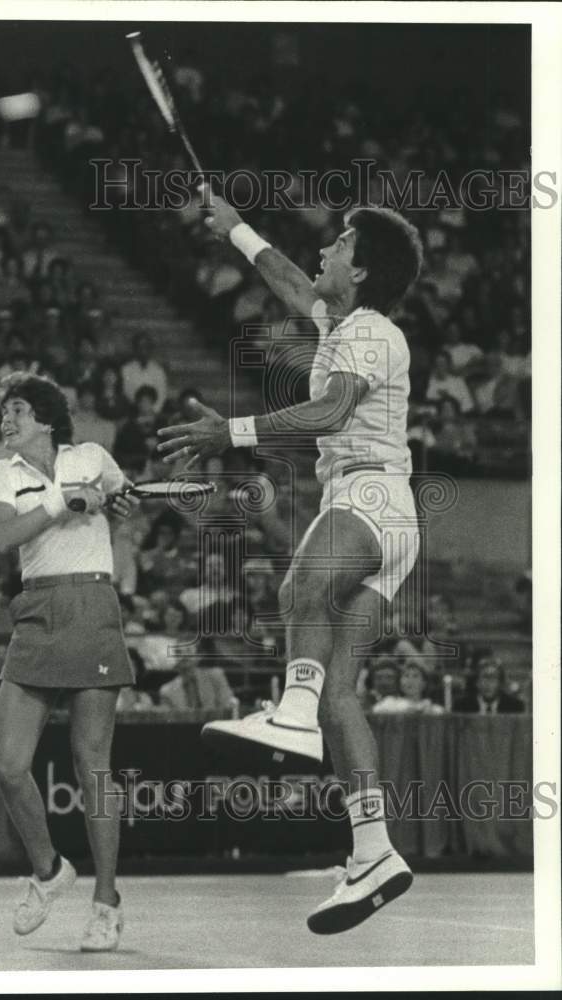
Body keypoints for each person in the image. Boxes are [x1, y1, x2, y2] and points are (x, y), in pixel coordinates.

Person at [157, 189, 424, 933]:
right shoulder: (339, 318)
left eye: (340, 244)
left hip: (369, 494)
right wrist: (233, 228)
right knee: (344, 694)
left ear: (363, 271)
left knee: (300, 585)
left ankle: (292, 714)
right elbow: (288, 279)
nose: (326, 250)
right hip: (385, 518)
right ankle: (373, 849)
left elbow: (333, 412)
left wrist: (232, 433)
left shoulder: (371, 334)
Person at [0, 372, 138, 952]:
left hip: (93, 605)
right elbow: (2, 537)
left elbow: (124, 505)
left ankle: (106, 901)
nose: (6, 420)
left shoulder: (92, 456)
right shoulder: (4, 472)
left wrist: (112, 502)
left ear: (46, 419)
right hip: (38, 611)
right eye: (3, 412)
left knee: (92, 763)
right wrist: (61, 501)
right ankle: (50, 871)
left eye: (17, 410)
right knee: (6, 762)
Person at [453, 658, 525, 714]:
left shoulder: (515, 707)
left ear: (500, 683)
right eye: (485, 677)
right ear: (477, 682)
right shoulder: (461, 707)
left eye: (493, 678)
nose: (488, 683)